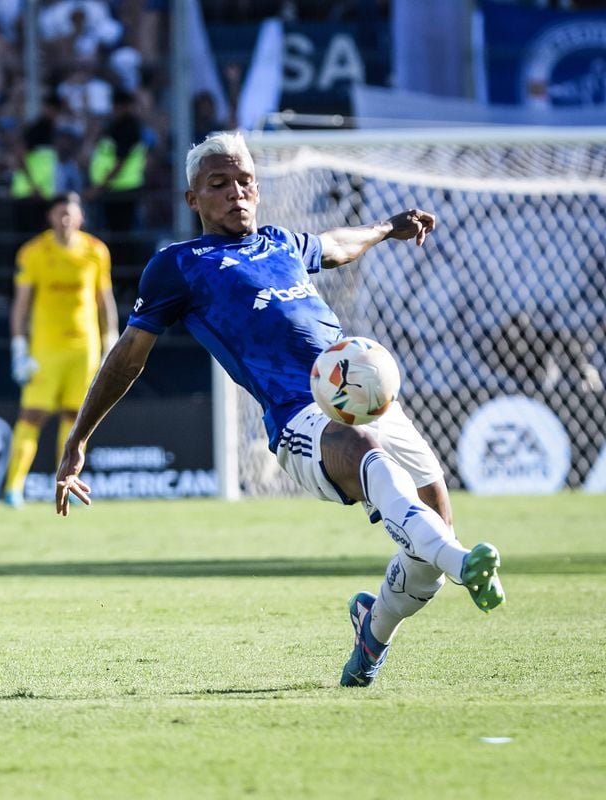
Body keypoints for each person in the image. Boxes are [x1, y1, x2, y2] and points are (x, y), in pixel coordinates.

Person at [54, 132, 505, 687]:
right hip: (299, 417)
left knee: (433, 521)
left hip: (366, 395)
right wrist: (78, 441)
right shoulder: (180, 265)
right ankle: (462, 563)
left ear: (257, 188)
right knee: (385, 479)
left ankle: (374, 629)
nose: (235, 193)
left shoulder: (279, 243)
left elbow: (336, 245)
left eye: (243, 181)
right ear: (192, 199)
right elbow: (127, 357)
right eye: (218, 185)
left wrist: (387, 228)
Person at [3, 191, 117, 507]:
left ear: (81, 217)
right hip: (45, 350)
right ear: (50, 217)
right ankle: (13, 488)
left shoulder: (96, 251)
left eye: (71, 213)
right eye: (59, 213)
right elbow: (21, 304)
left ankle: (67, 482)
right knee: (32, 415)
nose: (65, 219)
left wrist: (111, 340)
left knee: (76, 419)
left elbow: (103, 300)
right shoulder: (33, 252)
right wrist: (18, 346)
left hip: (84, 348)